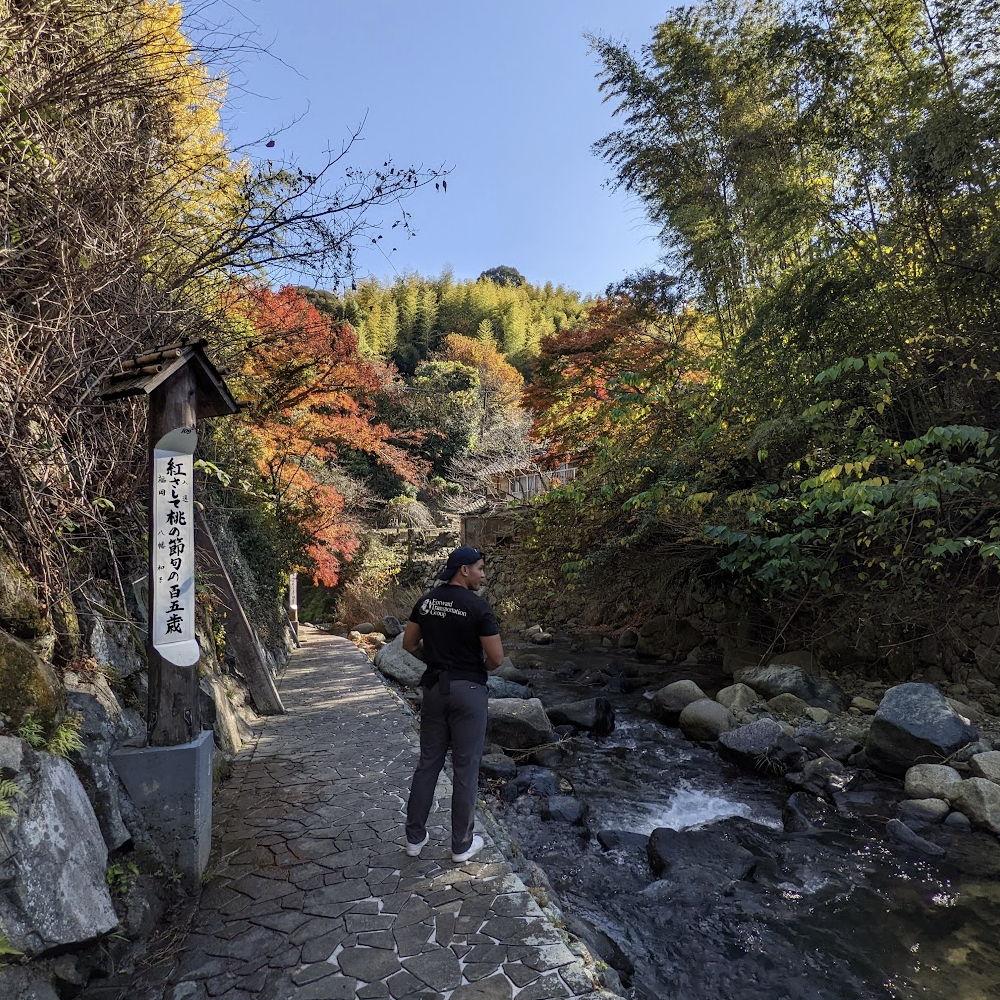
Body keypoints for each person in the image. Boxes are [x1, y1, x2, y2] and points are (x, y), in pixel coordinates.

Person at [403, 545, 505, 863]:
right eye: (479, 568)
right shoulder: (477, 607)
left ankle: (414, 839)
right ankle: (461, 845)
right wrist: (474, 669)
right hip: (468, 692)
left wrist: (435, 661)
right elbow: (497, 659)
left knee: (428, 764)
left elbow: (408, 644)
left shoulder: (426, 601)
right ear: (464, 570)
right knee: (465, 768)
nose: (483, 574)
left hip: (434, 689)